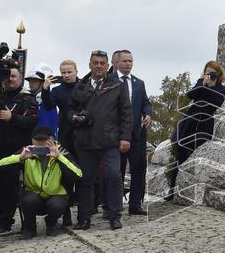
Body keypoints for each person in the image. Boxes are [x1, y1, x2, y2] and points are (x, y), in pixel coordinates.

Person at [69, 50, 132, 230]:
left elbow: (126, 113)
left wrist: (125, 138)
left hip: (109, 141)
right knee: (85, 180)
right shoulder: (81, 86)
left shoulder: (117, 85)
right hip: (85, 141)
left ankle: (114, 215)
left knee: (113, 176)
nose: (98, 66)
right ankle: (84, 218)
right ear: (89, 64)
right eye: (95, 63)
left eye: (101, 63)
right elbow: (70, 108)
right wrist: (74, 117)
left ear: (108, 65)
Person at [0, 125, 82, 238]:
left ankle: (51, 223)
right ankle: (29, 228)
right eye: (38, 141)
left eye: (44, 140)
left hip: (56, 196)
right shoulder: (26, 151)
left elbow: (78, 174)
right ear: (32, 141)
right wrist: (20, 158)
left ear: (52, 140)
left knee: (56, 204)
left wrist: (59, 158)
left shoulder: (61, 152)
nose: (41, 144)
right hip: (34, 196)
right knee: (28, 200)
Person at [0, 67, 38, 234]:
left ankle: (5, 221)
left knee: (9, 186)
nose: (10, 79)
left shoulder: (27, 99)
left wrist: (12, 118)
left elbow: (32, 121)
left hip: (16, 149)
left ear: (20, 79)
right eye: (7, 76)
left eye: (14, 76)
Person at [166, 61, 225, 201]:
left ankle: (192, 191)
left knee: (197, 156)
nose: (210, 75)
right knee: (180, 156)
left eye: (213, 73)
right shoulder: (200, 82)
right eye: (208, 72)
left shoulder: (222, 89)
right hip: (189, 122)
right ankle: (172, 189)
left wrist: (211, 87)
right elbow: (190, 95)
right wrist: (203, 84)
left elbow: (216, 104)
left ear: (218, 74)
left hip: (204, 125)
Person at [110, 50, 152, 215]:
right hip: (116, 134)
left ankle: (135, 204)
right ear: (117, 63)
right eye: (125, 61)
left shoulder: (139, 83)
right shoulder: (109, 80)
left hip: (136, 134)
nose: (128, 64)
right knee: (115, 172)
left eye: (130, 61)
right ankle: (113, 206)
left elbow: (146, 103)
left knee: (138, 170)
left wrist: (148, 114)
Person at [50, 59, 80, 225]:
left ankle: (84, 213)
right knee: (66, 176)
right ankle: (66, 212)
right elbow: (48, 106)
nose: (67, 75)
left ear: (76, 71)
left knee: (83, 175)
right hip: (66, 135)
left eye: (69, 72)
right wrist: (46, 89)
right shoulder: (58, 90)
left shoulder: (84, 86)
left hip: (84, 135)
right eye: (63, 73)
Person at [26, 63, 59, 135]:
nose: (31, 83)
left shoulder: (50, 98)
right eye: (30, 81)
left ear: (42, 82)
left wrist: (45, 88)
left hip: (45, 139)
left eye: (34, 81)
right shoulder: (27, 97)